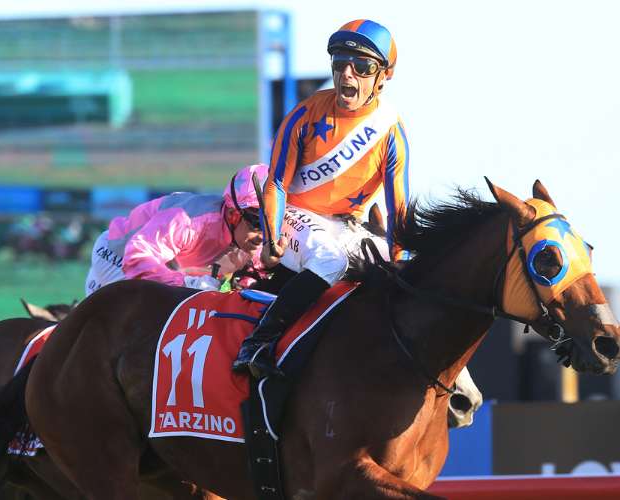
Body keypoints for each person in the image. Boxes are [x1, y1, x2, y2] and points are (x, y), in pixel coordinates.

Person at [233, 19, 410, 378]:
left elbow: (398, 209)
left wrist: (401, 261)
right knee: (331, 260)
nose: (347, 74)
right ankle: (258, 342)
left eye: (362, 67)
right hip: (295, 213)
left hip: (345, 224)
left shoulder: (391, 130)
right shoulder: (306, 113)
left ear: (383, 76)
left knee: (406, 269)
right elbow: (276, 183)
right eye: (340, 63)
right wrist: (271, 239)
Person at [84, 164, 267, 297]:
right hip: (119, 257)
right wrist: (186, 284)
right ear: (234, 214)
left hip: (169, 266)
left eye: (274, 224)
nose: (264, 235)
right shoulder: (187, 221)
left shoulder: (251, 236)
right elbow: (136, 258)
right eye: (257, 223)